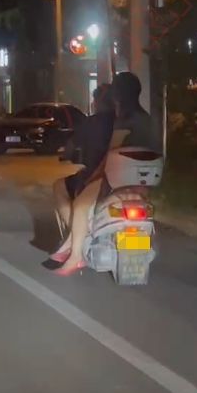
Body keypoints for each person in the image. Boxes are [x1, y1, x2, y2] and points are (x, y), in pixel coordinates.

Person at [52, 71, 155, 277]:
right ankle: (75, 243)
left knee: (81, 206)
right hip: (143, 183)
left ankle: (76, 256)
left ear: (117, 95)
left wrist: (93, 179)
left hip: (118, 180)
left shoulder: (125, 120)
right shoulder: (148, 119)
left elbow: (111, 156)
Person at [51, 84, 115, 265]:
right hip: (120, 178)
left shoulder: (91, 123)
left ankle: (77, 237)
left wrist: (66, 154)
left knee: (59, 186)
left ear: (98, 102)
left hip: (95, 177)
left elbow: (72, 146)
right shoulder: (122, 122)